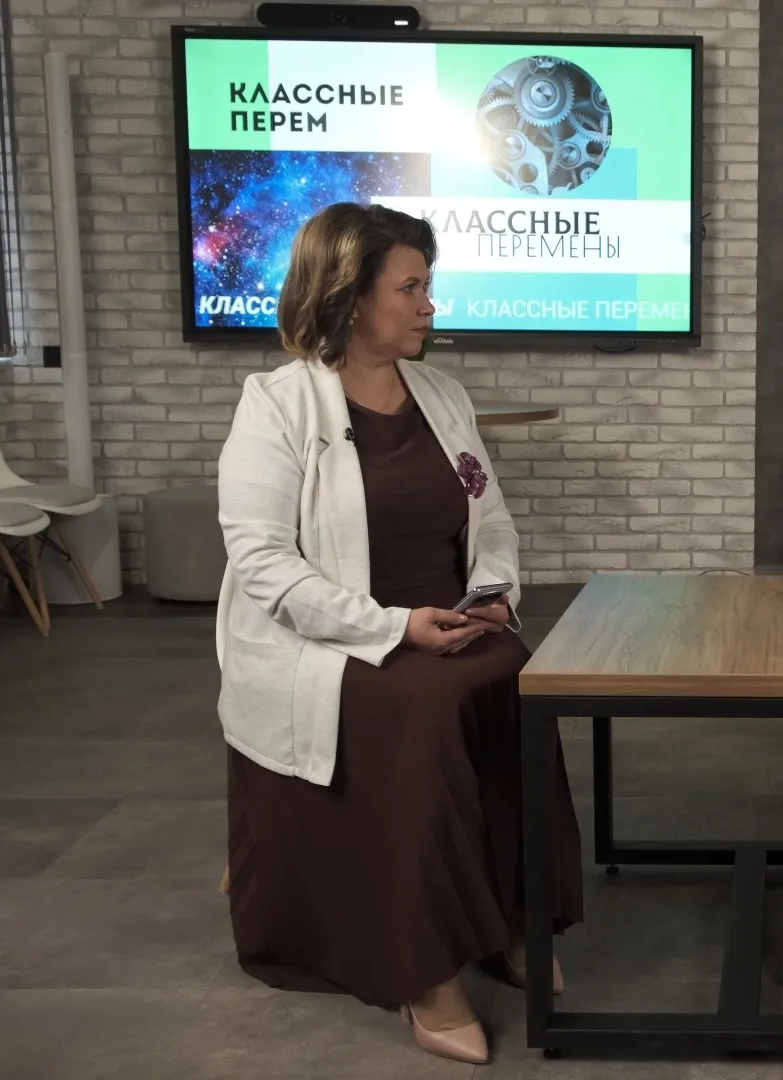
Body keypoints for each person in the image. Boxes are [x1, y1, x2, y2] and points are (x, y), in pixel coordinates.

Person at [214, 202, 581, 1064]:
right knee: (423, 708)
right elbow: (262, 563)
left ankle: (510, 917)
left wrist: (494, 594)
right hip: (333, 640)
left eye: (428, 286)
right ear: (348, 297)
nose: (428, 305)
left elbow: (490, 518)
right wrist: (392, 628)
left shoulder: (442, 396)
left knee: (515, 672)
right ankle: (426, 970)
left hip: (445, 622)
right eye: (410, 288)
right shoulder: (276, 406)